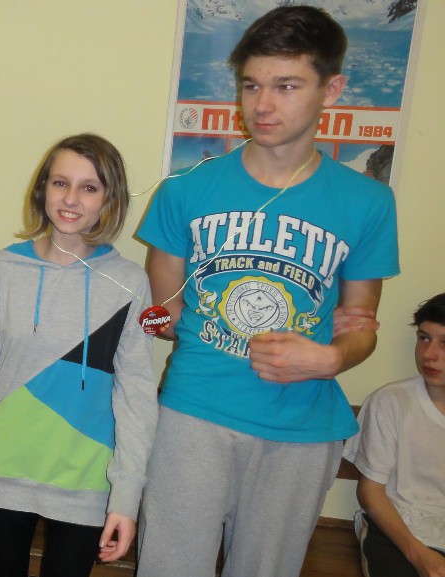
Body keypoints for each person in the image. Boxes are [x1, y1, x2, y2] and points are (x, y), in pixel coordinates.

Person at [135, 6, 400, 577]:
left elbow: (361, 326)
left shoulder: (369, 202)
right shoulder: (183, 190)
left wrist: (331, 358)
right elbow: (165, 312)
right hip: (195, 413)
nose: (262, 104)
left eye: (286, 86)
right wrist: (155, 322)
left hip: (302, 428)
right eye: (251, 85)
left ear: (332, 89)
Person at [0, 134, 157, 576]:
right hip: (2, 474)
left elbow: (136, 397)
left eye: (89, 187)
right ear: (43, 188)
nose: (71, 199)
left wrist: (126, 497)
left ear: (109, 199)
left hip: (86, 481)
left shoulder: (129, 283)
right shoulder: (2, 268)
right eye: (61, 183)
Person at [345, 293, 445, 577]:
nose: (429, 354)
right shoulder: (392, 402)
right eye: (424, 338)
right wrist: (420, 556)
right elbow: (370, 492)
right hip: (398, 533)